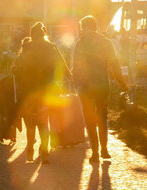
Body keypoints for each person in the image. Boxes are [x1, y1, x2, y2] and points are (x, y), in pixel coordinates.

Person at [72, 15, 128, 164]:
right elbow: (114, 64)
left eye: (82, 27)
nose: (82, 30)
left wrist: (75, 83)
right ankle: (104, 149)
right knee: (102, 117)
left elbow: (75, 67)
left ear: (85, 27)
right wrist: (121, 82)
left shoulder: (81, 44)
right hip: (102, 86)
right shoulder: (105, 43)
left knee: (90, 120)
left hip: (85, 88)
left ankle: (96, 152)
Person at [14, 22, 69, 163]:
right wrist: (68, 77)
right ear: (44, 33)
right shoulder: (51, 47)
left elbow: (18, 66)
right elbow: (60, 65)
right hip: (46, 90)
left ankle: (30, 148)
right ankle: (44, 152)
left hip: (29, 91)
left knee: (31, 121)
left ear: (31, 34)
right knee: (44, 122)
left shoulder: (26, 47)